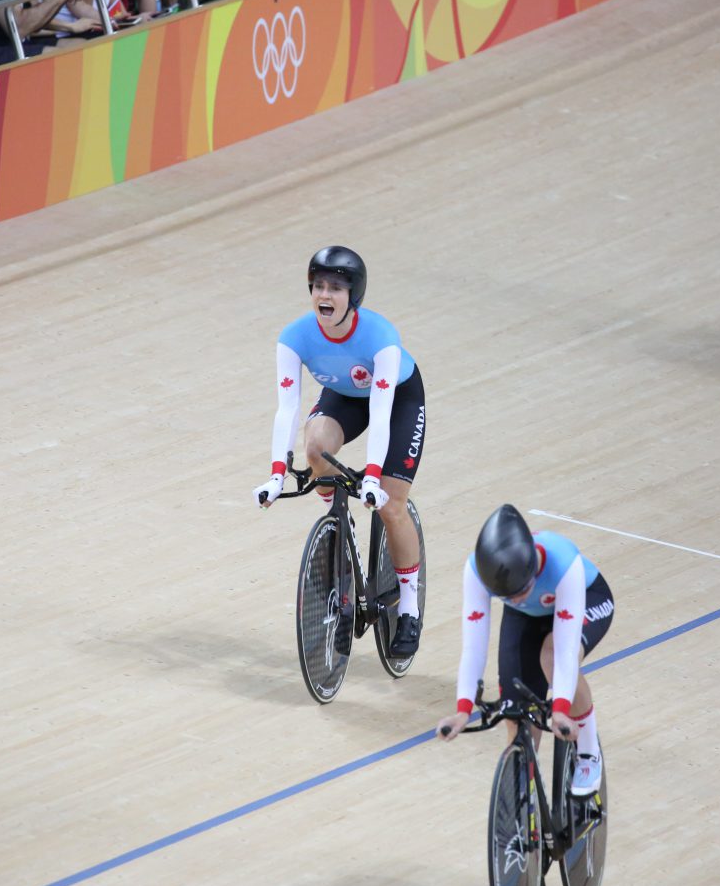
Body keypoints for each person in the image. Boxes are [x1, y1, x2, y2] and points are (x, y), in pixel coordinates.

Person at [254, 246, 428, 656]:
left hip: (397, 399)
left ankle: (409, 608)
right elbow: (287, 410)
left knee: (391, 505)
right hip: (345, 396)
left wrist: (372, 478)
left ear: (354, 296)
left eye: (335, 287)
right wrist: (276, 475)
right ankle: (339, 530)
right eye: (318, 286)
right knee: (316, 450)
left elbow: (381, 414)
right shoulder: (294, 337)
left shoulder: (381, 338)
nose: (324, 295)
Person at [436, 505, 615, 797]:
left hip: (586, 597)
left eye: (521, 590)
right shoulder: (476, 571)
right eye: (508, 596)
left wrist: (560, 710)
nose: (517, 598)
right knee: (516, 712)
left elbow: (566, 650)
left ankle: (588, 752)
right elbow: (473, 648)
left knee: (551, 655)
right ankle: (523, 799)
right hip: (527, 616)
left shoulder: (563, 561)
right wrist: (462, 710)